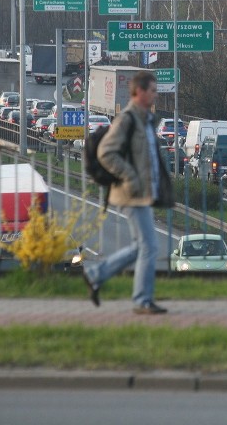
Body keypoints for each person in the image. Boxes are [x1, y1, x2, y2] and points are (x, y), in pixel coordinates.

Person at [82, 71, 174, 315]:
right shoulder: (127, 120)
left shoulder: (145, 120)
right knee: (150, 246)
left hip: (142, 192)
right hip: (130, 193)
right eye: (153, 90)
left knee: (140, 246)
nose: (156, 94)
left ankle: (95, 274)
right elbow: (106, 152)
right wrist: (130, 176)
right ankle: (143, 300)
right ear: (140, 92)